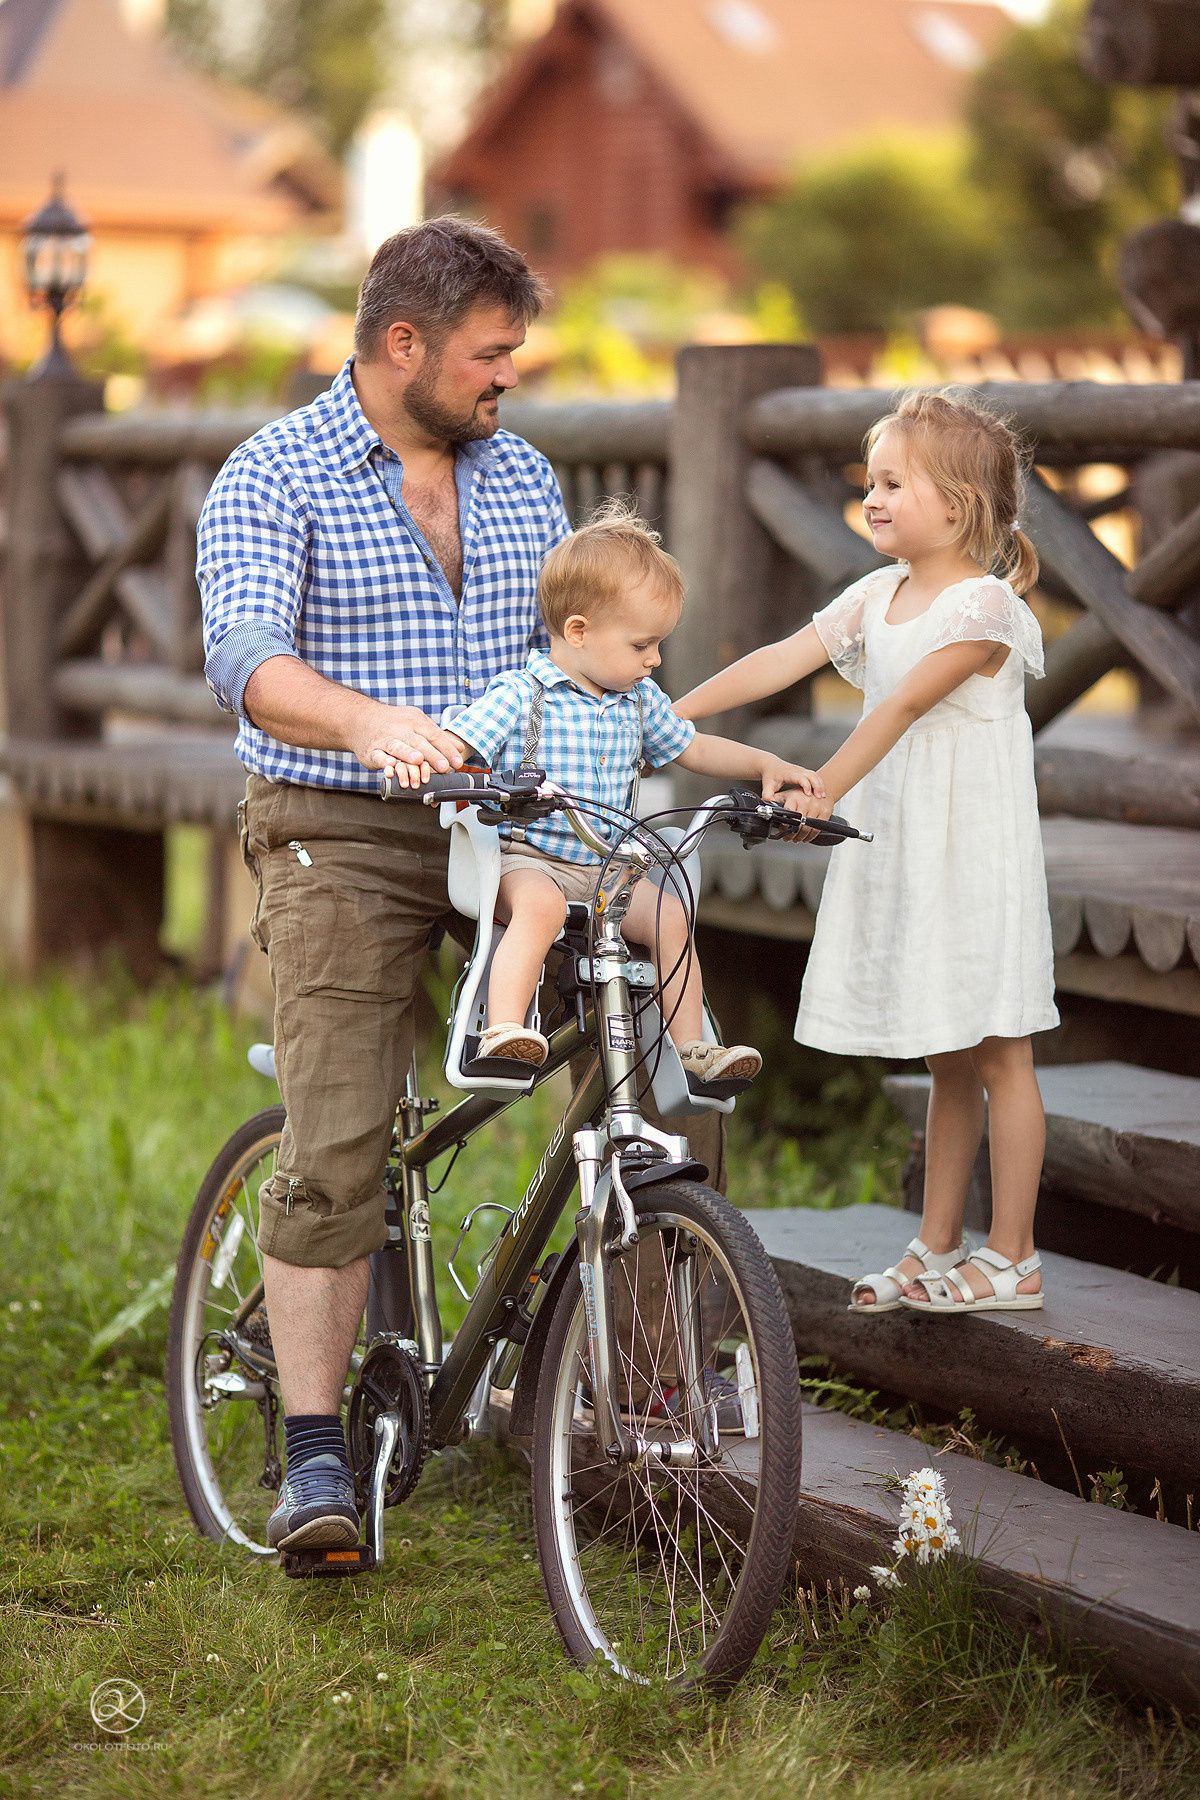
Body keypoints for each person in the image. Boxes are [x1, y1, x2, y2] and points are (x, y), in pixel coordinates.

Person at [675, 388, 1058, 1316]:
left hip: (972, 856)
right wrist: (664, 712)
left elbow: (900, 707)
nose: (872, 499)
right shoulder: (876, 593)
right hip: (909, 851)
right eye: (868, 483)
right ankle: (935, 1242)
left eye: (893, 483)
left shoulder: (984, 608)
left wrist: (824, 788)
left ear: (959, 506)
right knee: (944, 1052)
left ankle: (1015, 1256)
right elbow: (781, 655)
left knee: (999, 1045)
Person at [411, 504, 822, 1081]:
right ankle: (505, 1029)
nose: (654, 661)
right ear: (577, 631)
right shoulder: (519, 694)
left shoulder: (639, 700)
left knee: (671, 917)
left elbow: (693, 747)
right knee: (541, 908)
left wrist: (763, 763)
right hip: (528, 860)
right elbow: (459, 744)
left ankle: (693, 1050)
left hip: (609, 869)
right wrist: (437, 771)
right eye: (641, 646)